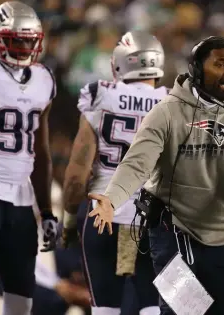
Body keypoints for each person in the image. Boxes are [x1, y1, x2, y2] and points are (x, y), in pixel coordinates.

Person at [87, 35, 224, 315]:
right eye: (220, 63)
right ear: (196, 68)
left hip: (222, 237)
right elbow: (137, 164)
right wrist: (112, 199)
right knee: (182, 310)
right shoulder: (167, 112)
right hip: (172, 232)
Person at [62, 31, 167, 315]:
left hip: (103, 217)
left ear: (120, 63)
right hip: (149, 218)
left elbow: (76, 173)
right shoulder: (171, 103)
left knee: (105, 309)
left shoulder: (101, 94)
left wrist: (69, 217)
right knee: (151, 304)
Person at [0, 1, 59, 315]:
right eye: (17, 40)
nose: (25, 47)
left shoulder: (44, 79)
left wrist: (46, 211)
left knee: (22, 289)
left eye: (30, 40)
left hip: (21, 199)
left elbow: (40, 150)